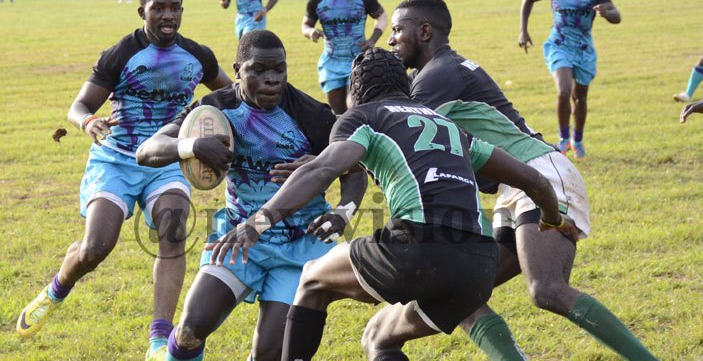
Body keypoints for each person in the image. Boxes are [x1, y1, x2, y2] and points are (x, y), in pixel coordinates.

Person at [208, 47, 571, 361]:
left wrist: (257, 223)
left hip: (417, 246)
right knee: (379, 337)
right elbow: (535, 182)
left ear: (355, 92)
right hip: (479, 265)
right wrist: (553, 219)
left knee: (313, 278)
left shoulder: (365, 116)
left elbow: (322, 169)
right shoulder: (451, 127)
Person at [388, 0, 656, 361]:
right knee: (458, 291)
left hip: (539, 173)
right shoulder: (435, 72)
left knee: (546, 288)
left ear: (424, 31)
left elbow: (392, 130)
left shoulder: (438, 76)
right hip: (515, 186)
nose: (391, 39)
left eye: (397, 30)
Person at [15, 0, 233, 360]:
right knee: (96, 248)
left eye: (174, 8)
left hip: (166, 161)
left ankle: (157, 342)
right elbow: (79, 106)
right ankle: (55, 291)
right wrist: (88, 122)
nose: (167, 15)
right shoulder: (121, 54)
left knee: (174, 232)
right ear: (142, 11)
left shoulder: (197, 56)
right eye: (158, 8)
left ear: (182, 10)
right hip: (116, 158)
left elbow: (231, 95)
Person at [138, 29, 367, 361]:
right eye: (258, 70)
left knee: (268, 354)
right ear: (237, 71)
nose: (272, 79)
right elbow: (147, 150)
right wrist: (192, 146)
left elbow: (355, 171)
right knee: (189, 330)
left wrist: (342, 211)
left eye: (279, 70)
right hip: (238, 239)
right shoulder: (216, 110)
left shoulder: (310, 115)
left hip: (297, 248)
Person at [519, 0, 621, 158]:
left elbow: (616, 16)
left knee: (580, 98)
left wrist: (606, 13)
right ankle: (563, 140)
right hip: (559, 45)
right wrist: (523, 31)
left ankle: (578, 140)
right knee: (563, 91)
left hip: (583, 49)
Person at [302, 0, 387, 115]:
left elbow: (381, 16)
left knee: (353, 107)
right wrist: (311, 31)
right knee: (338, 112)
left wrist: (372, 40)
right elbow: (305, 25)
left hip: (357, 60)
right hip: (330, 62)